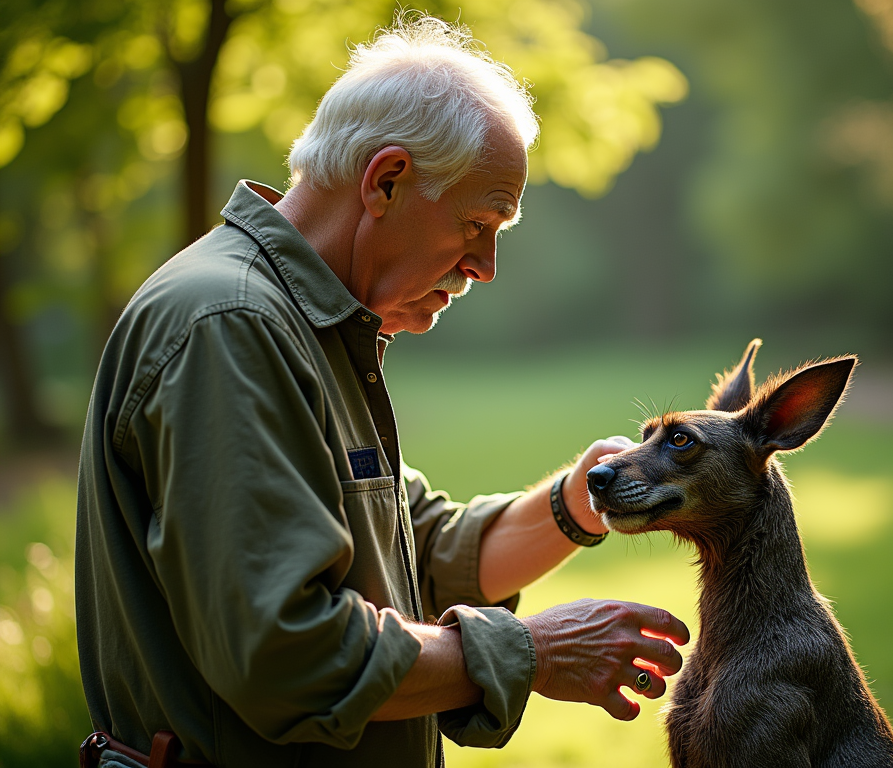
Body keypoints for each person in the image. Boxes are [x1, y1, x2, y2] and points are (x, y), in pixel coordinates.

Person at [75, 16, 690, 768]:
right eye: (477, 222)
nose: (486, 265)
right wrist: (532, 650)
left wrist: (576, 500)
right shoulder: (230, 326)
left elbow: (417, 557)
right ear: (386, 180)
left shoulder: (303, 324)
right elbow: (288, 656)